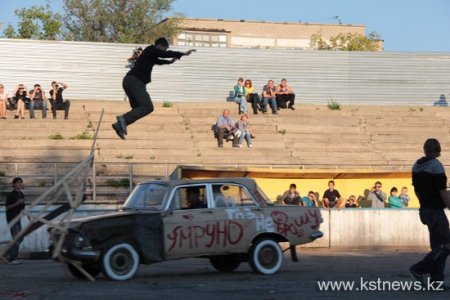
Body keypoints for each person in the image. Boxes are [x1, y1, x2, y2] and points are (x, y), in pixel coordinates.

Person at [112, 37, 195, 139]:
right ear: (160, 46)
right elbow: (164, 54)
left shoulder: (150, 54)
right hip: (134, 81)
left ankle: (119, 125)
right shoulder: (150, 50)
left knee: (138, 108)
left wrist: (169, 62)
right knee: (147, 107)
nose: (163, 51)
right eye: (163, 49)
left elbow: (159, 61)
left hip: (130, 82)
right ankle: (123, 119)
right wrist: (182, 54)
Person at [410, 138, 450, 290]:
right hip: (435, 211)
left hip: (425, 209)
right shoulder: (436, 166)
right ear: (438, 150)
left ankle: (436, 282)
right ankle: (418, 269)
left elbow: (417, 190)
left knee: (438, 247)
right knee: (446, 244)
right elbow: (442, 192)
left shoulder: (416, 165)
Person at [5, 177, 26, 264]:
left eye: (21, 183)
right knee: (16, 238)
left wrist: (28, 215)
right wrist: (17, 203)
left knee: (20, 238)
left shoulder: (21, 194)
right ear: (13, 184)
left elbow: (22, 207)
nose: (20, 184)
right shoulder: (11, 195)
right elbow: (7, 207)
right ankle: (12, 259)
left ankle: (8, 252)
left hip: (18, 219)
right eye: (18, 182)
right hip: (12, 218)